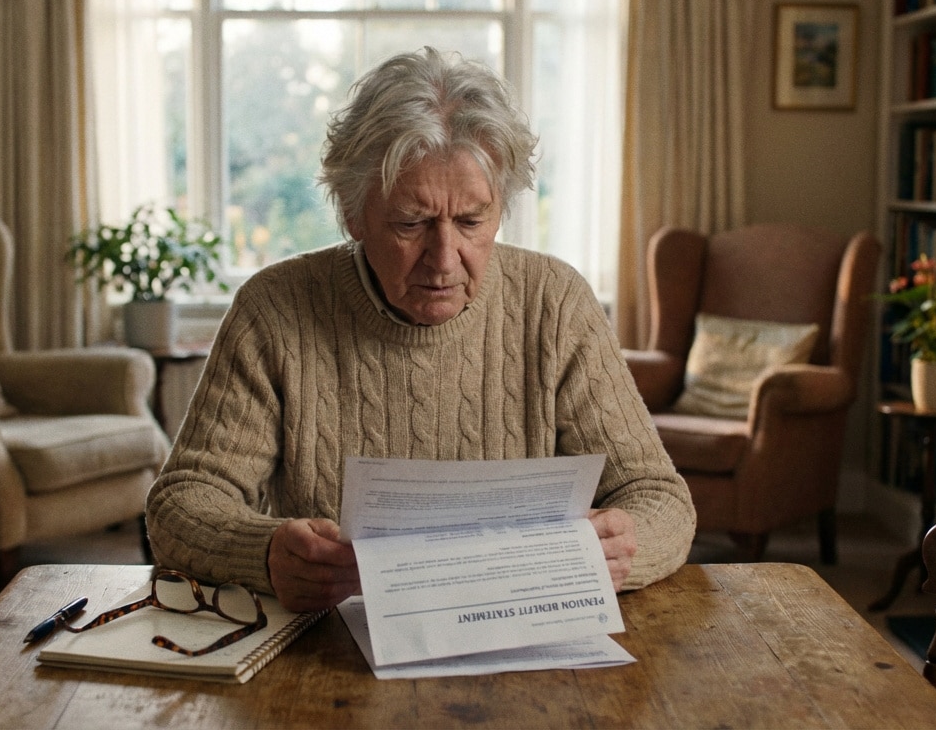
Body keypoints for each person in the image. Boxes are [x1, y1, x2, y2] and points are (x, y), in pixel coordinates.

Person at [146, 47, 695, 613]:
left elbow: (659, 496)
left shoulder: (555, 304)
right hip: (332, 638)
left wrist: (624, 546)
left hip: (522, 630)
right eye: (411, 223)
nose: (444, 259)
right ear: (352, 213)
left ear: (501, 210)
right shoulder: (274, 309)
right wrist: (264, 553)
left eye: (471, 221)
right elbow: (182, 503)